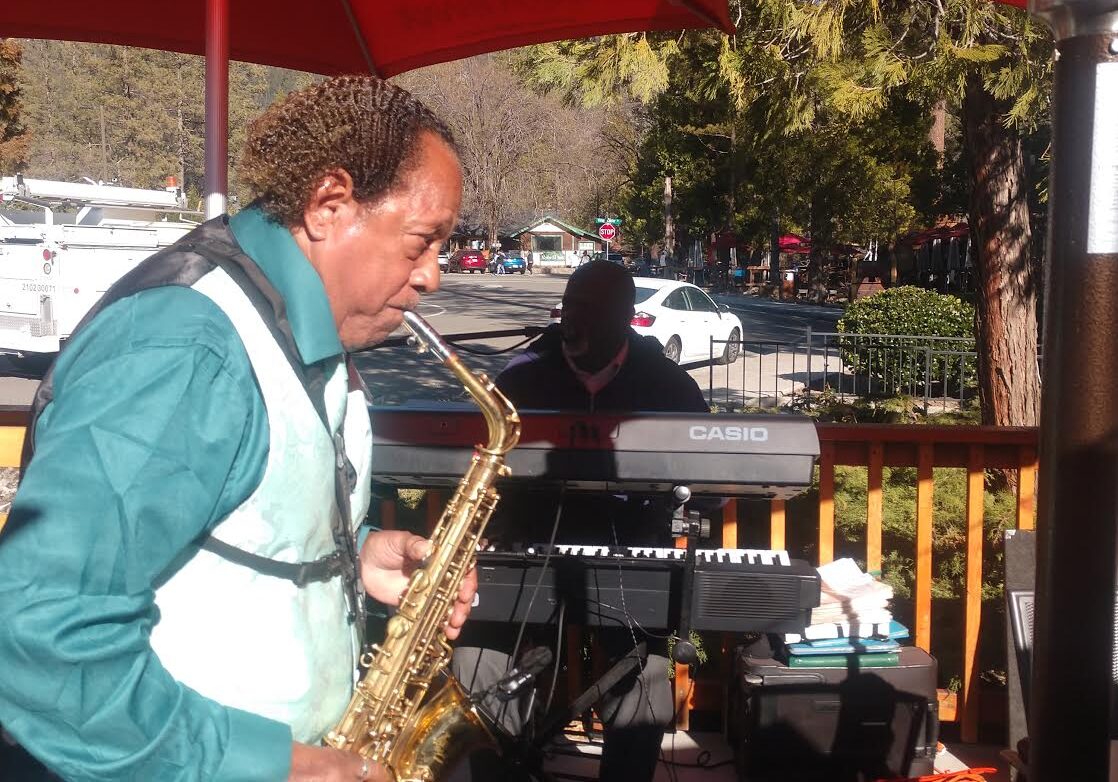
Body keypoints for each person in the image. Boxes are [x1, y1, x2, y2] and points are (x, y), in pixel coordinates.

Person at [0, 76, 475, 782]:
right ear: (329, 205)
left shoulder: (296, 331)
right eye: (421, 242)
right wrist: (273, 765)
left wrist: (351, 555)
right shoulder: (185, 348)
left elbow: (215, 518)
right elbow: (38, 629)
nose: (433, 276)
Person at [452, 260, 709, 782]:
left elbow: (712, 480)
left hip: (628, 547)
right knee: (478, 656)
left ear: (624, 317)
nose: (575, 317)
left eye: (591, 309)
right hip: (527, 539)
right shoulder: (523, 374)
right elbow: (477, 458)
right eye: (571, 304)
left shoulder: (665, 382)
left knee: (644, 671)